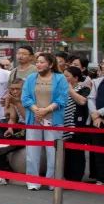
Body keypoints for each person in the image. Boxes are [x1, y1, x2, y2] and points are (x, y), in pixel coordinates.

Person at [21, 52, 70, 190]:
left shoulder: (60, 78)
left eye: (42, 62)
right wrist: (36, 110)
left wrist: (46, 110)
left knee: (53, 152)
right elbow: (25, 97)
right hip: (34, 118)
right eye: (37, 62)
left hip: (53, 119)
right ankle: (33, 182)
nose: (38, 64)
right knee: (32, 152)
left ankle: (52, 182)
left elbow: (62, 98)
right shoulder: (31, 78)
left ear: (50, 64)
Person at [62, 66, 91, 181]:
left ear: (75, 78)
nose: (64, 78)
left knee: (77, 153)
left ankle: (76, 177)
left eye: (67, 76)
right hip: (63, 125)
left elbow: (82, 101)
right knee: (66, 153)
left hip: (77, 125)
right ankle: (67, 177)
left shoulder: (84, 88)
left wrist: (70, 90)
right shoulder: (61, 89)